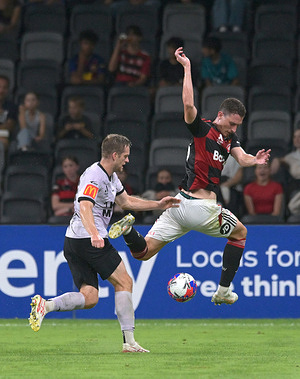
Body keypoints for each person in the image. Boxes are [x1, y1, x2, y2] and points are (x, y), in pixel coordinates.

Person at [108, 46, 270, 306]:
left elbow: (242, 158)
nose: (234, 128)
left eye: (238, 125)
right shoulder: (202, 129)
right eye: (231, 123)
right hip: (201, 208)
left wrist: (256, 160)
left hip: (179, 204)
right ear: (220, 115)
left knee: (143, 252)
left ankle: (128, 229)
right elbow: (187, 104)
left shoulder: (230, 139)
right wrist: (187, 68)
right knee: (240, 234)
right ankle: (223, 291)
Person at [29, 134, 180, 353]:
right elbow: (85, 205)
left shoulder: (110, 178)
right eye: (125, 156)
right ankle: (129, 342)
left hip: (74, 241)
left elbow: (126, 201)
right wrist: (94, 234)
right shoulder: (94, 175)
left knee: (89, 297)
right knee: (125, 282)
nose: (127, 161)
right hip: (89, 240)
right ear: (115, 155)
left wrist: (158, 204)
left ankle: (46, 305)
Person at [271, 128, 300, 196]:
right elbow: (280, 161)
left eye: (299, 136)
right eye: (295, 137)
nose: (297, 139)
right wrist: (277, 160)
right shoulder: (289, 157)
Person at [0, 75, 18, 151]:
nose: (1, 91)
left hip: (2, 136)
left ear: (8, 90)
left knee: (2, 143)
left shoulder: (12, 107)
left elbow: (9, 126)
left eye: (4, 88)